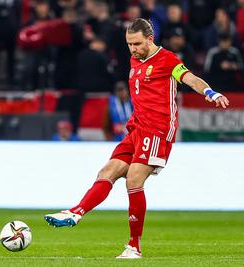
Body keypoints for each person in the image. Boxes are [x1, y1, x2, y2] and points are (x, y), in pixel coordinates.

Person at [44, 18, 229, 259]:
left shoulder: (168, 60)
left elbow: (190, 79)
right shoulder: (134, 59)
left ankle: (134, 246)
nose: (132, 49)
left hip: (158, 129)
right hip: (136, 128)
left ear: (150, 39)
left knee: (133, 179)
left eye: (137, 43)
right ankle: (75, 213)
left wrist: (209, 92)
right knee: (107, 171)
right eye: (129, 44)